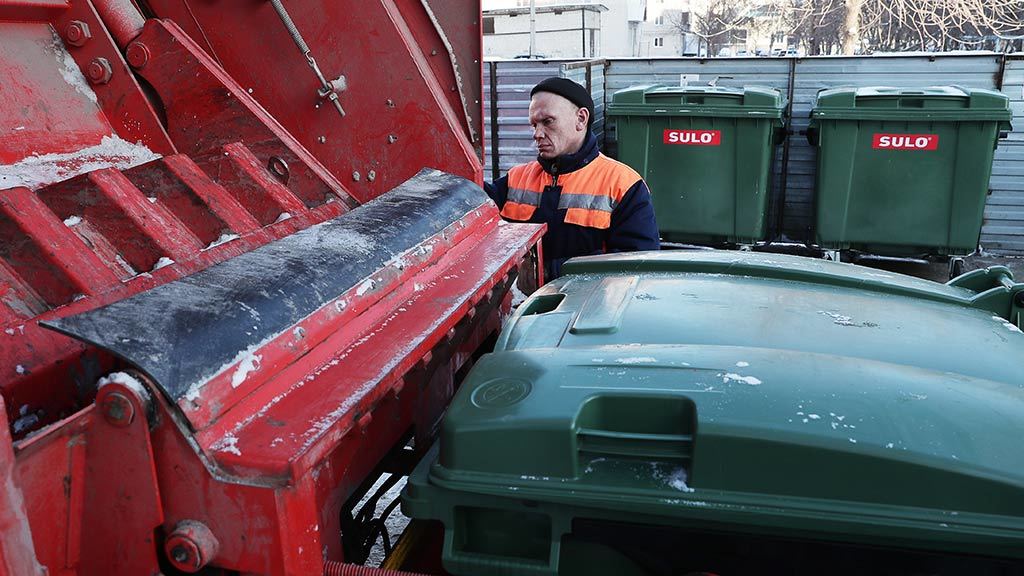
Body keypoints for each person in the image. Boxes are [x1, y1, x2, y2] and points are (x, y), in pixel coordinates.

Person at [485, 77, 659, 280]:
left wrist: (548, 273)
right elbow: (469, 210)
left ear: (581, 119)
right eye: (534, 125)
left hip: (587, 308)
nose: (537, 134)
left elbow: (636, 265)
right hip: (523, 309)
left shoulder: (624, 184)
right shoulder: (516, 178)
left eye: (547, 122)